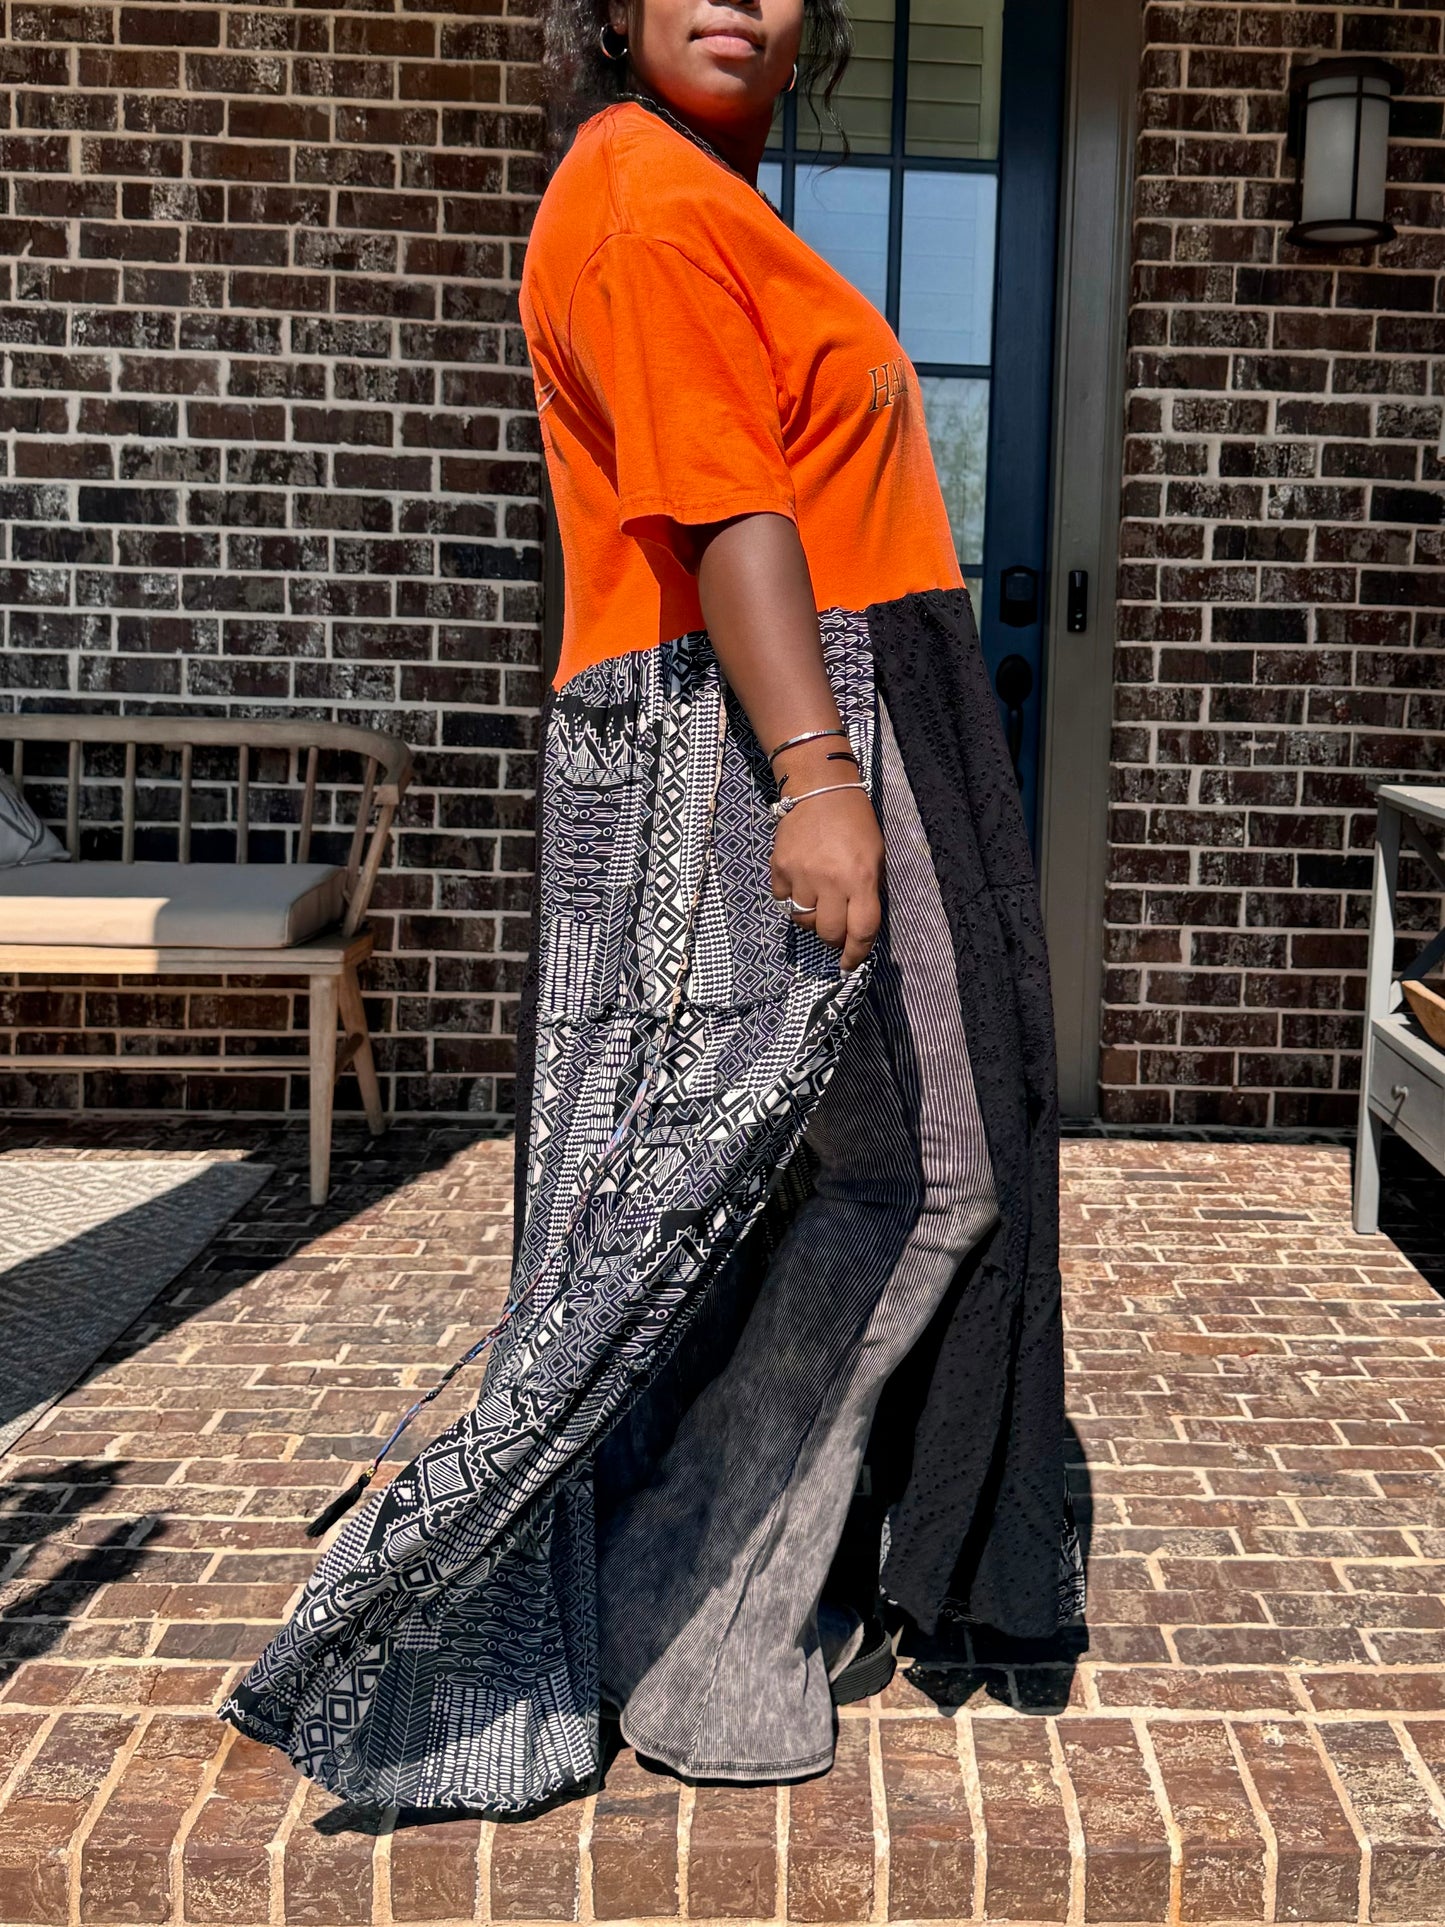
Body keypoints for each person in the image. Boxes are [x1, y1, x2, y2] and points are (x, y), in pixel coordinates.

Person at [215, 0, 1081, 1813]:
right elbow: (725, 509)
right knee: (909, 1175)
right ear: (609, 6)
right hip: (766, 725)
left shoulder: (703, 197)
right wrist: (818, 778)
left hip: (812, 706)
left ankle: (686, 1593)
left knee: (799, 1184)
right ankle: (684, 1613)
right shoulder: (638, 188)